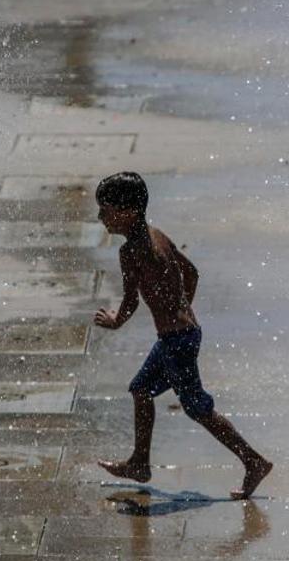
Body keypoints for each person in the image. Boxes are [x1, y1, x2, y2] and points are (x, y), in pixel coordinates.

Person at [91, 171, 272, 499]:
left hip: (176, 341)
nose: (100, 216)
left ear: (128, 211)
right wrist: (180, 310)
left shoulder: (131, 252)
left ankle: (253, 461)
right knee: (141, 389)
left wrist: (116, 321)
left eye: (106, 209)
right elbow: (191, 272)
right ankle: (139, 463)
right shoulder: (157, 235)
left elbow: (131, 301)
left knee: (198, 408)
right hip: (183, 334)